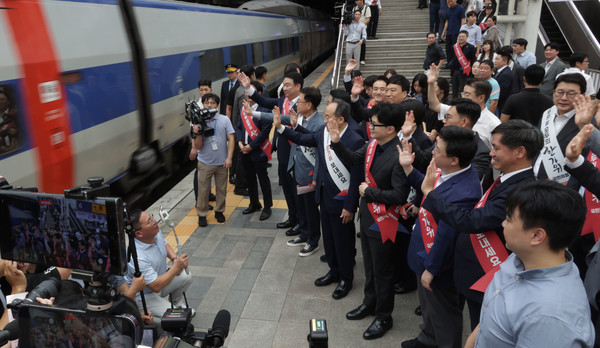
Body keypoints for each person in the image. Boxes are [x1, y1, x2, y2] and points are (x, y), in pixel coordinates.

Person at [421, 120, 542, 330]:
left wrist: (431, 194)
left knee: (483, 330)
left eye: (496, 147)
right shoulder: (508, 179)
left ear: (520, 152)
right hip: (475, 274)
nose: (491, 153)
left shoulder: (521, 190)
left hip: (488, 274)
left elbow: (472, 220)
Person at [465, 181, 595, 348]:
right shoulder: (522, 256)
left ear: (536, 236)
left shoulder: (549, 318)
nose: (503, 224)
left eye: (508, 219)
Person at [328, 103, 410, 340]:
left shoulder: (398, 154)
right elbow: (354, 159)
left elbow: (399, 196)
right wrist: (336, 142)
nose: (370, 127)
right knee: (370, 267)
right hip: (367, 218)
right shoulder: (373, 145)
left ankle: (384, 316)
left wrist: (368, 192)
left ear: (391, 129)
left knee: (383, 271)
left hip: (384, 221)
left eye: (375, 125)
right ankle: (369, 303)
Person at [400, 126, 482, 348]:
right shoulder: (447, 171)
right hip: (424, 253)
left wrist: (432, 269)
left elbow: (446, 235)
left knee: (444, 316)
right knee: (429, 310)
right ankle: (427, 339)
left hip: (438, 266)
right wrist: (408, 169)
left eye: (438, 149)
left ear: (454, 159)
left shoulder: (465, 192)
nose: (433, 152)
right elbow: (427, 187)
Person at [275, 99, 363, 299]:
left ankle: (346, 279)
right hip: (324, 197)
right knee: (330, 239)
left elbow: (356, 177)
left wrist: (350, 206)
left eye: (328, 117)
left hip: (342, 202)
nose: (324, 120)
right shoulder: (323, 133)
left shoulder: (354, 139)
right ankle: (333, 271)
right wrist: (281, 127)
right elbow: (301, 138)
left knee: (343, 242)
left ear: (340, 119)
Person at [239, 71, 302, 235]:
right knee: (287, 187)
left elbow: (287, 121)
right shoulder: (282, 101)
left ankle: (301, 222)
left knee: (297, 189)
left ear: (298, 86)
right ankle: (292, 217)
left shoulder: (304, 103)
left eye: (288, 85)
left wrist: (255, 114)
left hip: (297, 153)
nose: (284, 88)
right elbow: (264, 101)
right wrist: (248, 87)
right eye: (284, 85)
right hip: (283, 151)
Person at [125, 210, 193, 321]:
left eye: (151, 217)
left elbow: (164, 244)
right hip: (146, 296)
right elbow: (155, 286)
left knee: (186, 276)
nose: (154, 221)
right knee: (175, 320)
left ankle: (177, 304)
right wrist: (176, 267)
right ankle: (147, 311)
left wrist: (174, 259)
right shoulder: (138, 257)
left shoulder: (154, 232)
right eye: (149, 221)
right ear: (139, 233)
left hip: (160, 282)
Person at [281, 87, 324, 257]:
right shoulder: (299, 118)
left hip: (310, 175)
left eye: (299, 101)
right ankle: (304, 234)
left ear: (309, 104)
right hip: (298, 171)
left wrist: (316, 176)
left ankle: (313, 240)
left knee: (311, 209)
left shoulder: (319, 124)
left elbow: (320, 154)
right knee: (302, 207)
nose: (296, 104)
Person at [428, 64, 500, 149]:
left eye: (467, 94)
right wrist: (431, 83)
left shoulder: (494, 124)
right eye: (463, 93)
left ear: (481, 97)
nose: (463, 97)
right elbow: (434, 105)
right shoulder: (456, 110)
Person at [194, 93, 235, 227]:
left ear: (217, 105)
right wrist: (197, 133)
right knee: (203, 190)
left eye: (212, 103)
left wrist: (229, 158)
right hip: (205, 162)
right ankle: (202, 214)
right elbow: (198, 146)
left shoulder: (224, 120)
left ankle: (219, 211)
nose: (209, 105)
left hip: (222, 162)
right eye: (207, 103)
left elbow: (231, 139)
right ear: (203, 105)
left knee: (221, 189)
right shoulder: (198, 121)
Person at [235, 80, 273, 221]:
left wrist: (251, 146)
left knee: (263, 179)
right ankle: (254, 203)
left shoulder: (265, 110)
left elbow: (264, 132)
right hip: (244, 149)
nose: (248, 94)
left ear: (259, 93)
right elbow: (239, 127)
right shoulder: (244, 108)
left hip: (259, 151)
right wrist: (240, 143)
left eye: (251, 91)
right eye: (247, 91)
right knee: (250, 179)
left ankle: (268, 206)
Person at [448, 30, 476, 99]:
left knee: (463, 89)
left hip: (465, 72)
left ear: (467, 37)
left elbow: (473, 60)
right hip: (455, 71)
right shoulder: (454, 47)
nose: (461, 38)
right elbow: (452, 59)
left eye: (463, 37)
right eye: (460, 36)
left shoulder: (471, 47)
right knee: (454, 89)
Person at [441, 0, 466, 74]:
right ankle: (449, 63)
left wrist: (461, 32)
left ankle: (454, 63)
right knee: (448, 48)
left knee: (455, 49)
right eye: (448, 1)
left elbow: (463, 20)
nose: (449, 2)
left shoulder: (460, 8)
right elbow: (447, 21)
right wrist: (443, 32)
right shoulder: (448, 9)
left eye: (451, 0)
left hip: (456, 32)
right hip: (449, 32)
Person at [493, 48, 515, 114]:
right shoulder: (498, 71)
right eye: (495, 59)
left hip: (500, 106)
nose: (495, 61)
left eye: (497, 59)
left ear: (505, 61)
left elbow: (502, 93)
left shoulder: (506, 74)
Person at [353, 0, 371, 65]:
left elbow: (368, 19)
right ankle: (355, 58)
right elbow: (353, 18)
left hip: (363, 29)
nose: (356, 2)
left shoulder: (367, 8)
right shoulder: (354, 8)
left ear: (361, 1)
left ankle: (362, 59)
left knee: (362, 44)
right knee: (354, 43)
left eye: (357, 0)